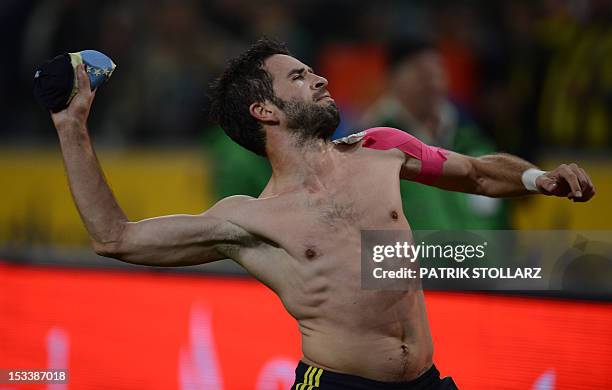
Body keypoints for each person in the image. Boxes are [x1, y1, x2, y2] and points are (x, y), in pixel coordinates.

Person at [49, 38, 595, 389]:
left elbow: (476, 172)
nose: (321, 79)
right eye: (300, 77)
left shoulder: (382, 148)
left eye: (313, 72)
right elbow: (114, 237)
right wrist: (72, 126)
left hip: (427, 379)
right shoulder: (249, 221)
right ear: (265, 110)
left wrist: (536, 179)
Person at [361, 39, 507, 229]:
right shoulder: (373, 147)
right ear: (392, 78)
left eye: (437, 70)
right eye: (420, 71)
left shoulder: (473, 138)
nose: (431, 79)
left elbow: (502, 214)